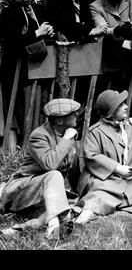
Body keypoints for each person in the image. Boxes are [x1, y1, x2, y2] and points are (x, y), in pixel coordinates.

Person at [0, 98, 81, 239]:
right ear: (59, 121)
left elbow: (70, 168)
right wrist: (67, 139)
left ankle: (18, 230)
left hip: (45, 192)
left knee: (69, 207)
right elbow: (50, 164)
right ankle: (54, 226)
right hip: (24, 189)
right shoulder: (39, 136)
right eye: (73, 113)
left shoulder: (66, 134)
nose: (77, 114)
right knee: (54, 175)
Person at [73, 90, 132, 224]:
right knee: (104, 192)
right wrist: (117, 168)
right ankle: (82, 219)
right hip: (104, 178)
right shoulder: (96, 132)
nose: (126, 107)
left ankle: (99, 208)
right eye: (121, 105)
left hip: (131, 178)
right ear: (111, 112)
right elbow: (91, 156)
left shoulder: (131, 128)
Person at [0, 0, 54, 146]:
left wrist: (49, 32)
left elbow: (46, 26)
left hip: (39, 66)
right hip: (18, 70)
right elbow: (12, 40)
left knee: (40, 106)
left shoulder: (38, 9)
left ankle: (40, 143)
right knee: (22, 111)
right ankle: (25, 146)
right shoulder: (9, 13)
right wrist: (38, 33)